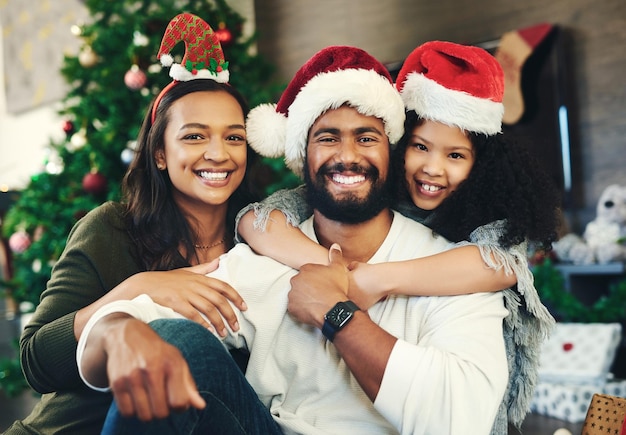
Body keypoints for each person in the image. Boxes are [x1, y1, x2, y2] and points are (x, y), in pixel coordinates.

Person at [77, 45, 509, 434]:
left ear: (390, 153)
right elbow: (140, 315)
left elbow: (459, 418)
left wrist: (336, 313)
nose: (347, 155)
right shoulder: (267, 256)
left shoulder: (449, 271)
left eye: (366, 137)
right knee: (178, 340)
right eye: (327, 138)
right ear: (302, 156)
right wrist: (119, 332)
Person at [236, 41, 561, 432]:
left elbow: (500, 266)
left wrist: (373, 278)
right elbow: (258, 220)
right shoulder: (368, 188)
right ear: (399, 146)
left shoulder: (490, 220)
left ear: (481, 166)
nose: (432, 169)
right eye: (420, 147)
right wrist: (330, 268)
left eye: (455, 156)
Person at [4, 13, 257, 434]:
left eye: (234, 137)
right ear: (159, 153)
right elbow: (37, 363)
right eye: (194, 136)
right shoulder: (112, 228)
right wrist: (136, 289)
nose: (219, 154)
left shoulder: (260, 241)